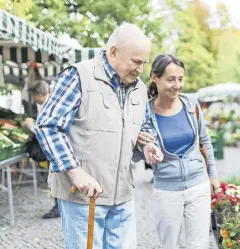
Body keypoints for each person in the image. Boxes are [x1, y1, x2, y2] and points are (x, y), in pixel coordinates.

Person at [35, 23, 151, 249]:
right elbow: (47, 125)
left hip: (123, 196)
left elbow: (143, 128)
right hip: (83, 198)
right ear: (114, 52)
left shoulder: (140, 89)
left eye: (144, 63)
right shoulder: (78, 76)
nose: (141, 69)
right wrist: (75, 172)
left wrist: (147, 145)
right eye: (136, 62)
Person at [138, 54, 220, 249]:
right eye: (171, 79)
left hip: (198, 186)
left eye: (180, 79)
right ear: (155, 78)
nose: (177, 85)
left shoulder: (191, 105)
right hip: (167, 189)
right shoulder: (145, 112)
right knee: (169, 245)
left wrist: (213, 175)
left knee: (198, 245)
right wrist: (146, 150)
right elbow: (141, 146)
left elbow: (205, 141)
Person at [22, 80, 61, 219]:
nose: (33, 99)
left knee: (57, 180)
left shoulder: (49, 106)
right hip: (54, 150)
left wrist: (30, 125)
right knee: (56, 180)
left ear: (38, 94)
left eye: (33, 96)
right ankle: (60, 207)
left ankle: (59, 208)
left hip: (54, 150)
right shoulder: (50, 103)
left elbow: (45, 130)